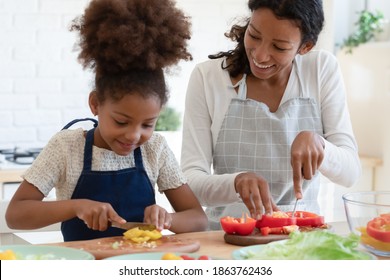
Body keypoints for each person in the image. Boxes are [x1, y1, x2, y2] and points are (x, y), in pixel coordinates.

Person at [6, 0, 208, 241]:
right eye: (121, 122)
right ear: (95, 104)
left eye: (147, 124)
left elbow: (198, 219)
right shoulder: (66, 148)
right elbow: (16, 214)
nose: (134, 135)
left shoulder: (155, 149)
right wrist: (76, 206)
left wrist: (168, 219)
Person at [180, 0, 361, 230]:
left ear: (305, 47)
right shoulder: (207, 77)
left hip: (301, 233)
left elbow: (350, 173)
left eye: (279, 47)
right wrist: (235, 183)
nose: (261, 55)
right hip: (227, 235)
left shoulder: (321, 69)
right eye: (254, 36)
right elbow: (189, 182)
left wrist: (321, 146)